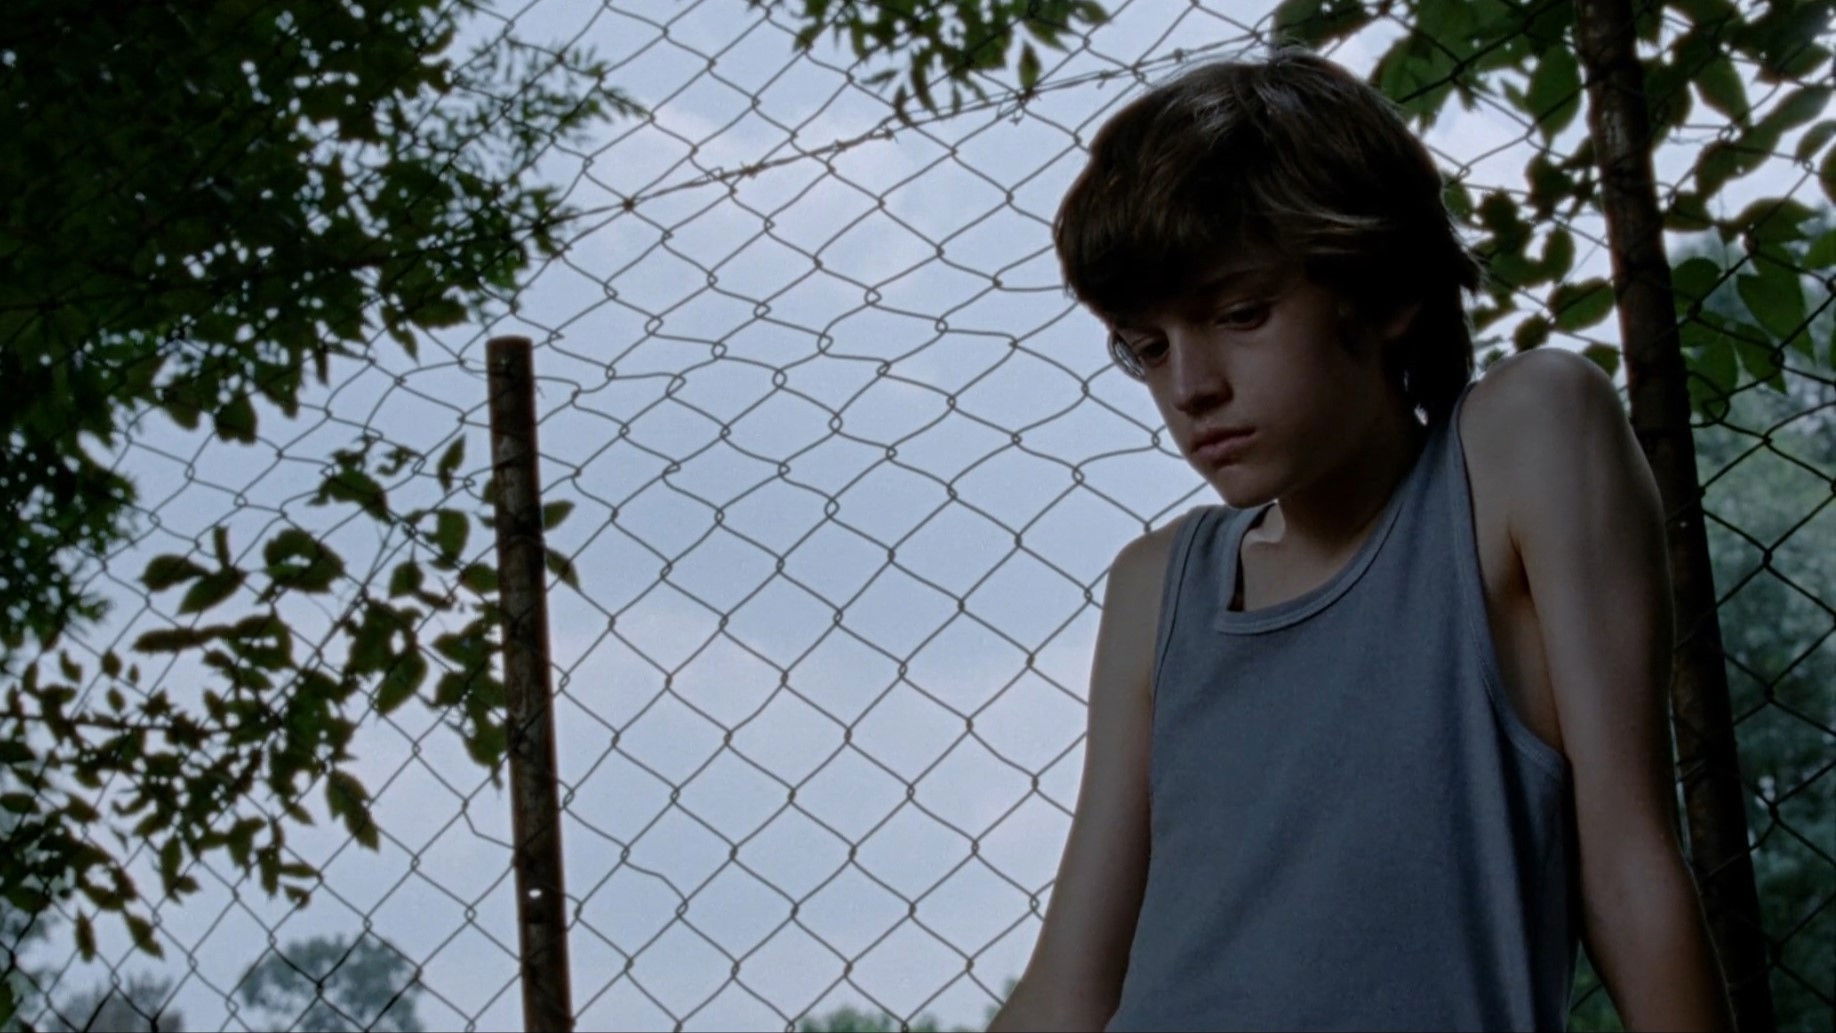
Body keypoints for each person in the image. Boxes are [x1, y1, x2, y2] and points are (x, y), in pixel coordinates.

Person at [986, 43, 1737, 1032]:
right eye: (1148, 348)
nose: (1190, 387)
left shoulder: (1518, 450)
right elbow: (1068, 991)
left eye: (1240, 313)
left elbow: (1632, 869)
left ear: (1383, 291)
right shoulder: (1159, 585)